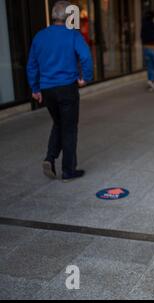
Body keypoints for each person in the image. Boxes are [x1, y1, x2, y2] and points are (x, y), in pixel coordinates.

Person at [27, 1, 93, 182]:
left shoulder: (40, 36)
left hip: (47, 90)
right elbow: (86, 57)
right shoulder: (73, 35)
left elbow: (32, 64)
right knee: (69, 128)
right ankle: (68, 171)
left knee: (58, 123)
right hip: (67, 88)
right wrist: (85, 78)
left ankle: (50, 158)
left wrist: (35, 88)